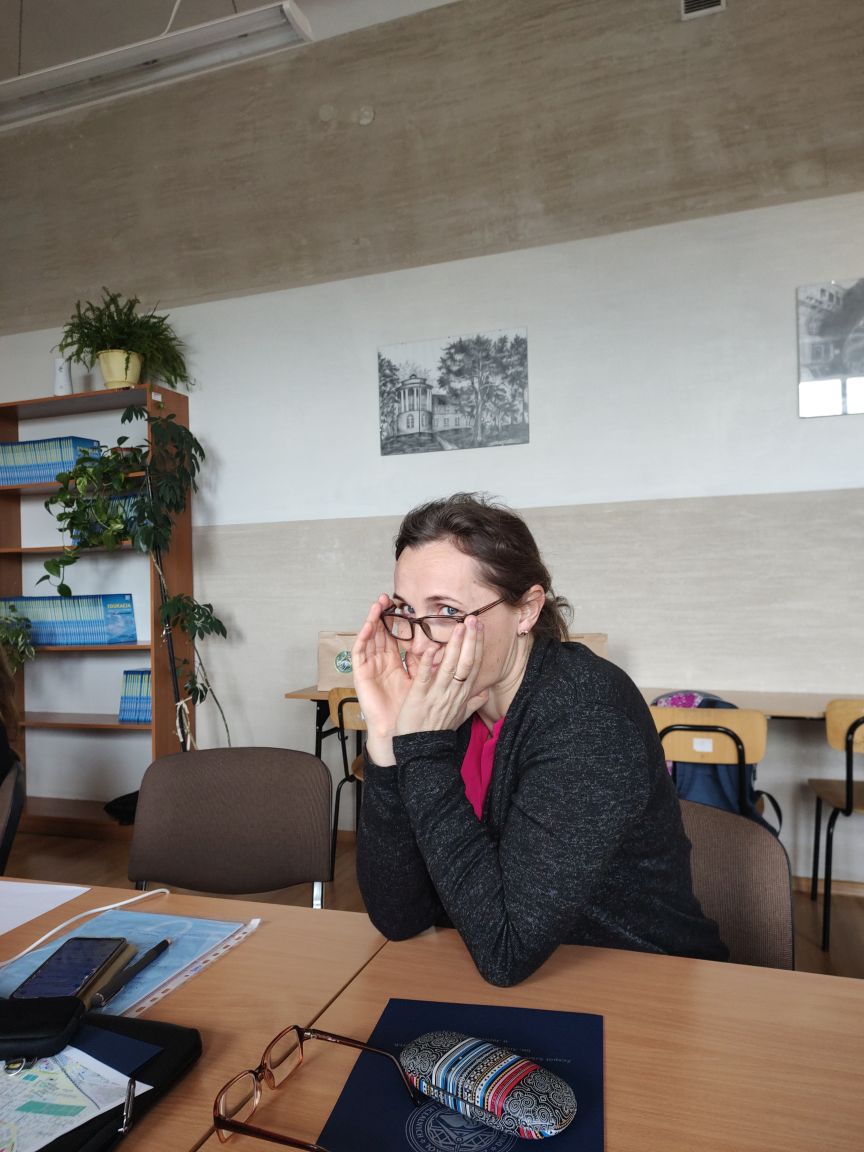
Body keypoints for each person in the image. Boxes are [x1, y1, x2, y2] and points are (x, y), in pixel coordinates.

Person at [354, 493, 727, 986]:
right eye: (405, 610)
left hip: (643, 983)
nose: (419, 646)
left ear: (527, 610)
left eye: (446, 610)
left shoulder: (588, 715)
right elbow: (399, 916)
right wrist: (386, 741)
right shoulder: (452, 709)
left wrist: (422, 750)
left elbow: (505, 952)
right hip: (519, 984)